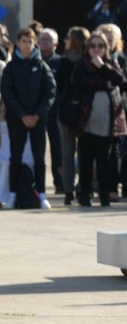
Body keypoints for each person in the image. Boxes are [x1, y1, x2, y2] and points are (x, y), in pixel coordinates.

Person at [71, 32, 127, 207]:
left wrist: (103, 67)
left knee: (104, 161)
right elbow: (78, 84)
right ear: (87, 48)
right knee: (86, 161)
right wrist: (104, 84)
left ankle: (104, 197)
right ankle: (84, 196)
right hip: (86, 120)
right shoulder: (81, 65)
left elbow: (121, 80)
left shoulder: (111, 63)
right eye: (93, 46)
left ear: (106, 48)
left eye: (100, 46)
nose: (96, 49)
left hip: (106, 122)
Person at [1, 27, 56, 208]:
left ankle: (41, 194)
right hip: (17, 120)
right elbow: (7, 94)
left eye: (30, 42)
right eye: (23, 41)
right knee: (15, 157)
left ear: (35, 44)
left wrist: (38, 114)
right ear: (17, 43)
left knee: (39, 158)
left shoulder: (41, 66)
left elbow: (50, 91)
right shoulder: (11, 67)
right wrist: (22, 115)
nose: (26, 45)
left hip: (37, 120)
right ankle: (13, 195)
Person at [56, 27, 87, 205]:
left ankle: (69, 191)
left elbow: (60, 89)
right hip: (84, 111)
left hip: (67, 111)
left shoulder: (65, 62)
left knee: (67, 154)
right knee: (84, 152)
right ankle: (83, 187)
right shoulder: (87, 62)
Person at [37, 28, 65, 195]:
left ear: (56, 43)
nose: (44, 42)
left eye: (48, 39)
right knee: (37, 150)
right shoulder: (33, 60)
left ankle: (60, 182)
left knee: (58, 150)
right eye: (42, 39)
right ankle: (36, 184)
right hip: (37, 112)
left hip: (56, 112)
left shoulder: (61, 63)